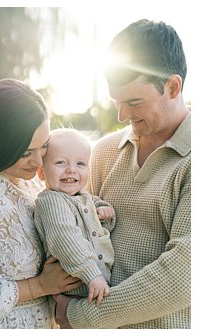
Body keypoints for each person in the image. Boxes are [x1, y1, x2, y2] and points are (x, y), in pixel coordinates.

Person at [53, 19, 190, 329]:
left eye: (134, 102)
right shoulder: (99, 153)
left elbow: (183, 274)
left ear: (173, 87)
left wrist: (79, 316)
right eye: (116, 101)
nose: (121, 115)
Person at [0, 78, 81, 328]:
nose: (39, 162)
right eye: (25, 153)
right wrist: (39, 286)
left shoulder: (31, 182)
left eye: (43, 147)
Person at [32, 129, 116, 307]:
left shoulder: (82, 197)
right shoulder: (51, 201)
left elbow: (94, 216)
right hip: (76, 289)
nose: (71, 170)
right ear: (41, 172)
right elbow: (66, 239)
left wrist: (103, 211)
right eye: (61, 162)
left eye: (80, 163)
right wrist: (92, 274)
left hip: (95, 286)